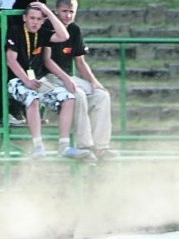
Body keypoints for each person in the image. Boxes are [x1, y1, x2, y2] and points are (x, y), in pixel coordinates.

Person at [5, 2, 93, 159]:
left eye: (39, 19)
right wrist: (25, 80)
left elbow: (64, 36)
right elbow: (11, 60)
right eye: (32, 18)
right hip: (18, 81)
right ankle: (38, 147)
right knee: (33, 99)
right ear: (24, 18)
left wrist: (48, 12)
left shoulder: (43, 33)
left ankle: (64, 147)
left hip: (39, 80)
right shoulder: (16, 30)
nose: (35, 22)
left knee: (69, 97)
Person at [43, 0, 118, 160]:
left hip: (68, 77)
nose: (68, 15)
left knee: (102, 96)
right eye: (64, 11)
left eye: (71, 12)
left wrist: (94, 83)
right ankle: (85, 145)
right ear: (56, 11)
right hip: (49, 78)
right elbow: (46, 60)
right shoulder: (48, 27)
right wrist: (66, 79)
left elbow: (80, 61)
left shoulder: (75, 29)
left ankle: (101, 147)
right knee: (78, 94)